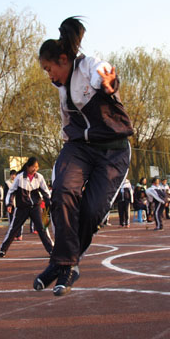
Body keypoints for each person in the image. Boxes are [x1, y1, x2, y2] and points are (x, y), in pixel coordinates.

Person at [34, 17, 133, 296]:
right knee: (63, 191)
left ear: (63, 60)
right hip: (79, 148)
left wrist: (110, 83)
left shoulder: (88, 66)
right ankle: (64, 262)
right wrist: (68, 153)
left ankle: (64, 263)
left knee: (91, 211)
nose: (49, 75)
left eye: (49, 68)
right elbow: (67, 121)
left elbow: (103, 73)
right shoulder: (62, 89)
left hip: (112, 150)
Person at [0, 157, 54, 258]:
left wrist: (49, 203)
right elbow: (11, 192)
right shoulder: (19, 177)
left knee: (43, 228)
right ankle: (3, 249)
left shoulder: (39, 177)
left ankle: (51, 250)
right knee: (14, 228)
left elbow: (46, 192)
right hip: (22, 207)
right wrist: (9, 204)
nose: (35, 169)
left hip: (36, 207)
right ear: (28, 166)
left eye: (37, 167)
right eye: (33, 167)